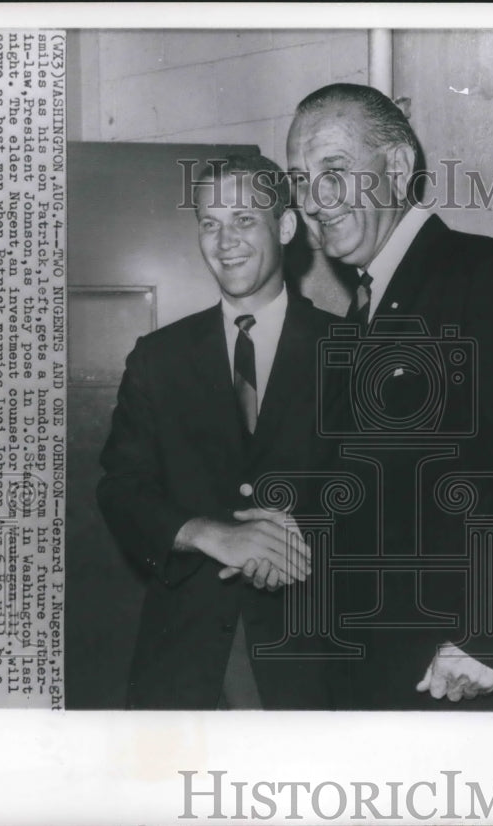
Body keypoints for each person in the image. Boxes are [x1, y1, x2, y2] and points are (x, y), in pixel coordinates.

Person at [287, 83, 493, 709]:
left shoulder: (480, 277)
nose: (315, 200)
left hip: (456, 676)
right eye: (300, 179)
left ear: (397, 167)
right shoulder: (363, 311)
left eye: (335, 171)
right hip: (383, 663)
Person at [97, 153, 338, 710]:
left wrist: (294, 546)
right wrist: (207, 532)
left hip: (312, 654)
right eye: (210, 223)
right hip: (183, 662)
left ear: (285, 226)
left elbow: (382, 494)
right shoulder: (157, 359)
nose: (225, 240)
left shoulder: (349, 350)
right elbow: (121, 487)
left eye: (244, 220)